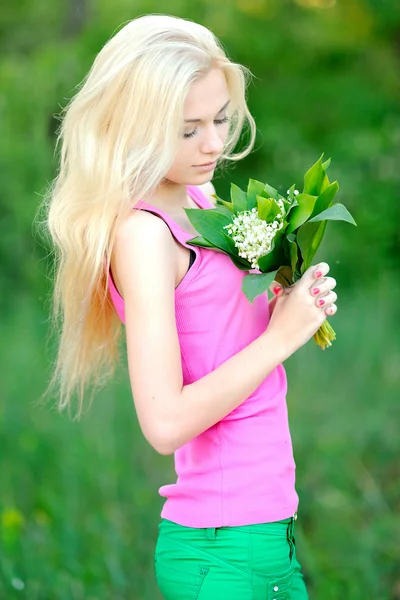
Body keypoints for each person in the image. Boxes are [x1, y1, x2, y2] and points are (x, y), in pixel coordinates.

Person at [44, 14, 338, 600]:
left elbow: (216, 342)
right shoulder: (144, 235)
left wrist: (282, 310)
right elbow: (165, 423)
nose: (213, 143)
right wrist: (280, 339)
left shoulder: (196, 197)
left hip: (262, 529)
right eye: (187, 129)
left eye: (221, 119)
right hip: (221, 545)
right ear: (136, 127)